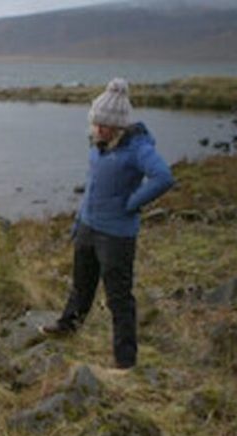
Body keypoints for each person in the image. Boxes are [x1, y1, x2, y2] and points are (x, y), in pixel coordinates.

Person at [41, 78, 175, 370]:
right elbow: (91, 187)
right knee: (81, 285)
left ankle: (125, 360)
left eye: (105, 125)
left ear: (120, 126)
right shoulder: (98, 146)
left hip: (117, 234)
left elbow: (163, 177)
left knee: (118, 298)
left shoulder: (138, 148)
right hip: (89, 227)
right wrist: (79, 222)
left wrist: (132, 203)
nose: (99, 129)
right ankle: (68, 326)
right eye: (96, 123)